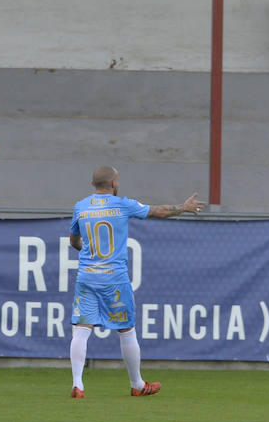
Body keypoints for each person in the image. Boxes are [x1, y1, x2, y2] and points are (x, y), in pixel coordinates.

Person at [66, 166, 203, 399]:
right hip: (114, 278)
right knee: (126, 330)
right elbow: (158, 211)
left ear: (93, 184)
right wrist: (183, 207)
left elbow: (74, 241)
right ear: (113, 184)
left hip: (87, 276)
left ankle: (78, 384)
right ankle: (137, 384)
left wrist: (89, 254)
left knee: (81, 329)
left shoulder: (81, 206)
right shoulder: (122, 204)